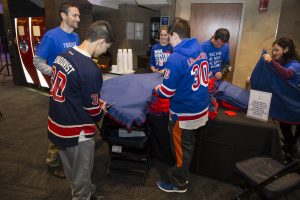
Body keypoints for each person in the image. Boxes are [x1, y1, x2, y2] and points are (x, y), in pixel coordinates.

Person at [48, 20, 114, 200]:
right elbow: (93, 111)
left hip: (56, 124)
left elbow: (72, 92)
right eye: (106, 47)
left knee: (70, 169)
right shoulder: (90, 70)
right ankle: (82, 196)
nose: (104, 52)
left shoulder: (62, 55)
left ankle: (81, 190)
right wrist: (103, 110)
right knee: (81, 170)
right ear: (100, 41)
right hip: (76, 131)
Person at [154, 18, 209, 193]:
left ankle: (179, 182)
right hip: (200, 107)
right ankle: (182, 174)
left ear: (175, 35)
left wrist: (158, 88)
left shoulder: (175, 58)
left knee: (180, 150)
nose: (169, 41)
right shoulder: (201, 50)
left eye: (169, 37)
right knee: (188, 145)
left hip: (184, 113)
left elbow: (167, 92)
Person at [33, 1, 80, 178]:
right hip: (59, 89)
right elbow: (37, 61)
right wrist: (55, 72)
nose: (78, 19)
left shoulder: (75, 37)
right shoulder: (51, 36)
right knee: (59, 122)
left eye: (79, 16)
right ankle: (52, 161)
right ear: (63, 15)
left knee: (70, 122)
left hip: (74, 89)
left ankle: (68, 155)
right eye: (74, 15)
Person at [262, 37, 300, 162]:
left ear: (286, 49)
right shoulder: (281, 62)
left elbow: (287, 74)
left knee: (289, 130)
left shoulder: (295, 64)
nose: (274, 53)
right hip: (285, 104)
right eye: (273, 50)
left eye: (276, 50)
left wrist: (271, 62)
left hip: (294, 104)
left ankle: (291, 150)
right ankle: (290, 148)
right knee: (285, 127)